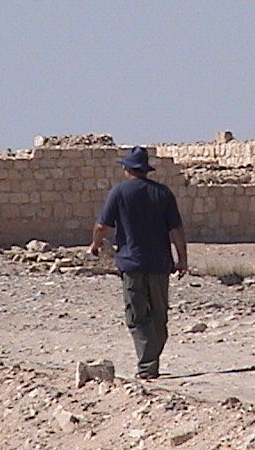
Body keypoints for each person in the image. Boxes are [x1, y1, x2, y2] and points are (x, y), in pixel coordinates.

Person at [89, 146, 188, 379]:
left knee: (137, 316)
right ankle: (151, 358)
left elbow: (102, 226)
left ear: (127, 169)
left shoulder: (119, 192)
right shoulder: (163, 193)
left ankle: (147, 364)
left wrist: (95, 244)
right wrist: (182, 259)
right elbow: (176, 229)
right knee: (159, 316)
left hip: (131, 263)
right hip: (160, 264)